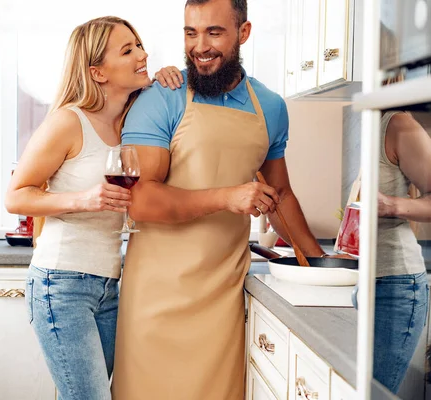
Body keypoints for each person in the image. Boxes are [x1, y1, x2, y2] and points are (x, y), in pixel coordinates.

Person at [111, 0, 329, 398]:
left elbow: (279, 194)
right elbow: (139, 200)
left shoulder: (271, 108)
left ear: (243, 33)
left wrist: (318, 266)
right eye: (190, 33)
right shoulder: (163, 96)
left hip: (223, 299)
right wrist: (228, 197)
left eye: (214, 32)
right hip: (156, 299)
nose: (199, 46)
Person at [5, 16, 150, 400]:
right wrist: (85, 200)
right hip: (61, 284)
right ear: (97, 72)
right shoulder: (68, 121)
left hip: (109, 284)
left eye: (139, 45)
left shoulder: (134, 121)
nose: (142, 54)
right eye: (128, 49)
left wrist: (169, 77)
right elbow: (16, 196)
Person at [373, 111, 430, 393]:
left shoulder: (398, 124)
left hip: (395, 286)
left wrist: (391, 206)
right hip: (367, 281)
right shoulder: (367, 125)